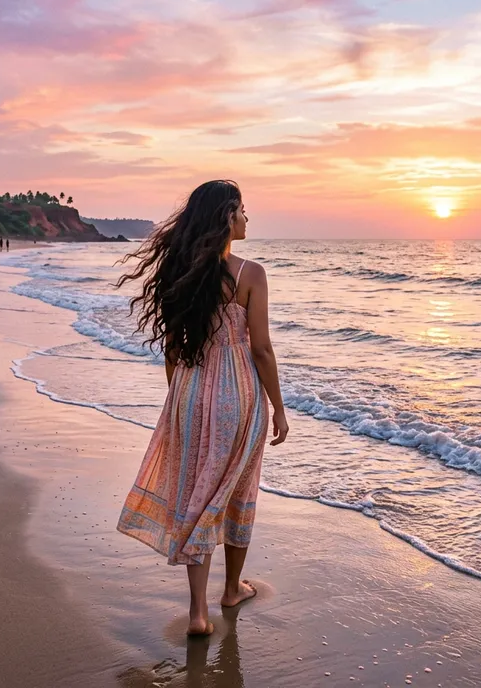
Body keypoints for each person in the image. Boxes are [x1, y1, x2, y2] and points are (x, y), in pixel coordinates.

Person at [116, 180, 289, 636]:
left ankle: (198, 613)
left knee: (200, 492)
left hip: (190, 391)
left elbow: (173, 352)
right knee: (236, 491)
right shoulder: (250, 273)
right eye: (243, 211)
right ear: (226, 218)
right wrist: (280, 407)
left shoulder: (181, 275)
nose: (248, 219)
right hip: (238, 393)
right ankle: (231, 590)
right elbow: (263, 350)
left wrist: (181, 400)